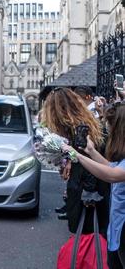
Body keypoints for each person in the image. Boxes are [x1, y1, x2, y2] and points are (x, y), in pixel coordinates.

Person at [41, 87, 109, 237]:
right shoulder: (84, 122)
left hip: (87, 192)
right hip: (90, 187)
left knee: (88, 237)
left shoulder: (78, 128)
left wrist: (89, 192)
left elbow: (87, 158)